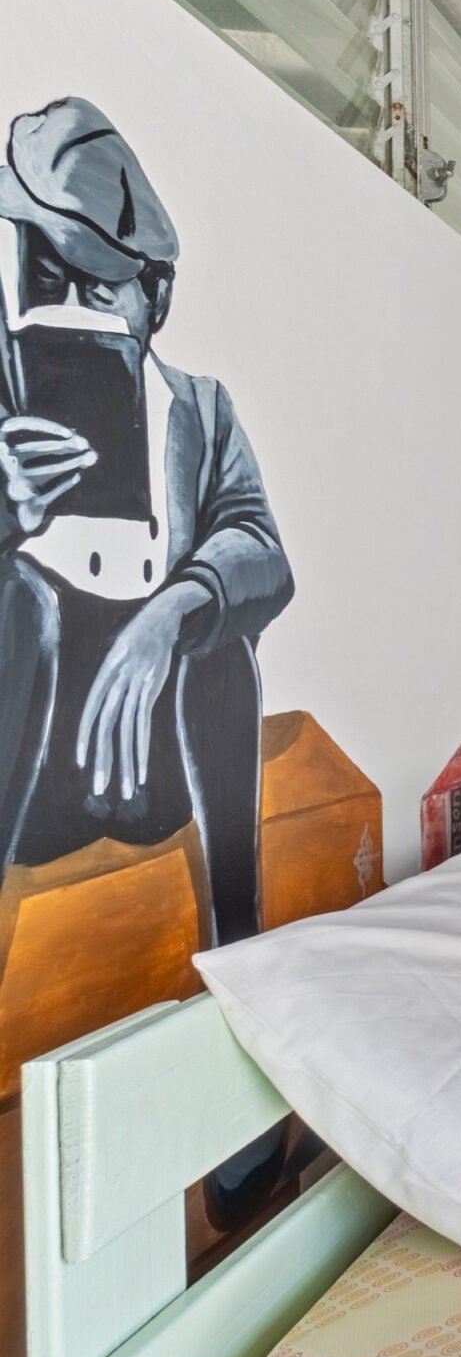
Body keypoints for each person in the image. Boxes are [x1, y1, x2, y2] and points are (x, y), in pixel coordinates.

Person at [0, 97, 291, 946]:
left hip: (154, 760)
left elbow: (262, 550)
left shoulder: (200, 410)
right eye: (48, 281)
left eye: (99, 288)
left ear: (152, 298)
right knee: (24, 599)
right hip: (32, 767)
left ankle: (240, 933)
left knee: (220, 641)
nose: (74, 310)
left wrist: (170, 614)